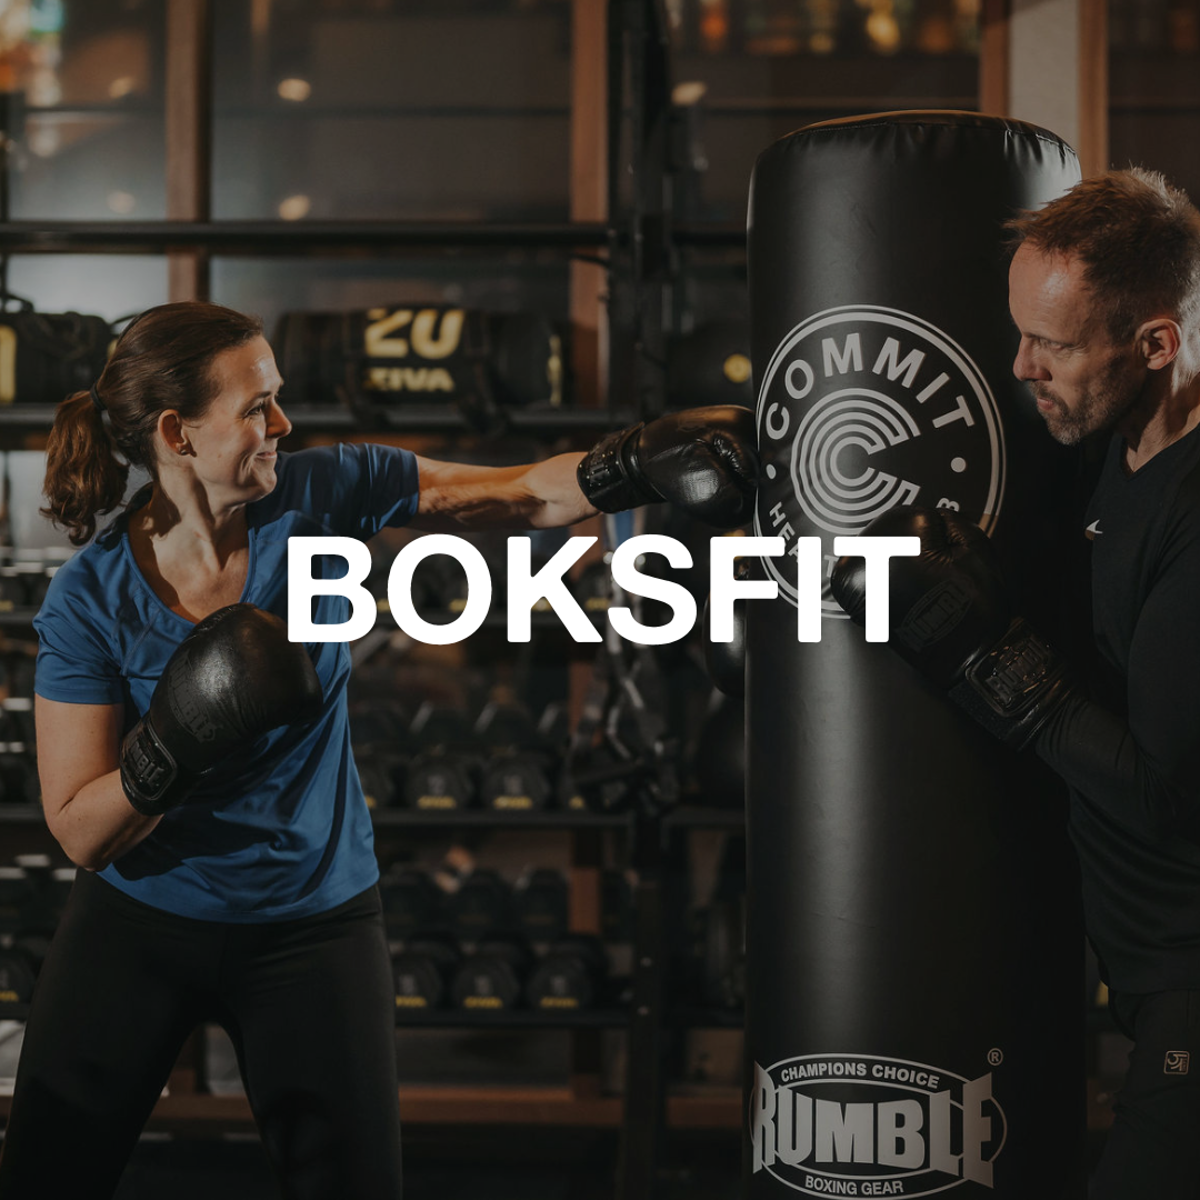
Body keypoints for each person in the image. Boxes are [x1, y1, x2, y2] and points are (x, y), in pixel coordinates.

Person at [0, 300, 758, 1198]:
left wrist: (629, 463)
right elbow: (80, 829)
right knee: (47, 1176)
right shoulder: (92, 600)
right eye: (256, 408)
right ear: (177, 432)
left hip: (311, 922)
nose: (284, 424)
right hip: (140, 923)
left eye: (278, 397)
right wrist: (176, 741)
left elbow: (521, 491)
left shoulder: (322, 492)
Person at [833, 167, 1200, 1198]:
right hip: (1145, 971)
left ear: (1155, 344)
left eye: (1054, 345)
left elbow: (1165, 793)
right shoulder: (1111, 448)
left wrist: (985, 657)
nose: (1020, 365)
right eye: (1018, 332)